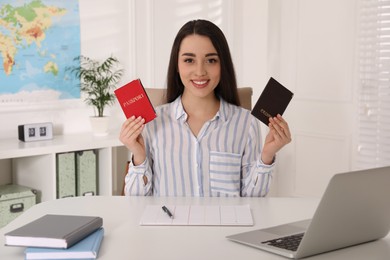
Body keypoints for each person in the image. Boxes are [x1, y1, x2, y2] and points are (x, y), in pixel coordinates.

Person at [119, 19, 291, 197]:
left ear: (222, 65)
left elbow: (253, 199)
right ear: (177, 66)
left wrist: (267, 155)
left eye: (211, 60)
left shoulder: (246, 123)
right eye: (189, 60)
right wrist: (138, 156)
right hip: (170, 224)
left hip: (226, 224)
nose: (200, 71)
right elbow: (135, 201)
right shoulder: (152, 124)